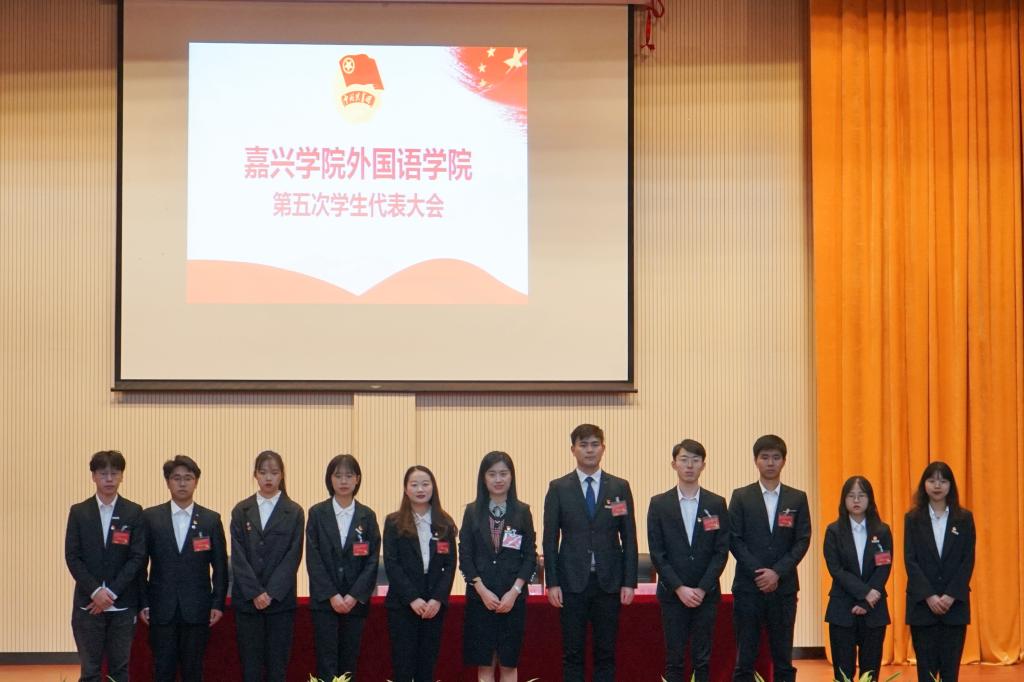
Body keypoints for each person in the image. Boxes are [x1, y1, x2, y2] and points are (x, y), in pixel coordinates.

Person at [543, 423, 638, 682]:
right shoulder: (559, 488)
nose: (589, 450)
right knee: (572, 653)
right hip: (571, 582)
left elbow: (629, 537)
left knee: (606, 653)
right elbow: (550, 539)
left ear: (603, 448)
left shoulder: (619, 487)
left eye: (595, 444)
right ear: (573, 449)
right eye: (583, 445)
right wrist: (552, 583)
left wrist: (629, 581)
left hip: (608, 583)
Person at [729, 434, 811, 682]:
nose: (770, 462)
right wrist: (760, 574)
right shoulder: (741, 496)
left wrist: (777, 573)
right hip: (748, 588)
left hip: (783, 588)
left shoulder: (797, 498)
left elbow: (802, 540)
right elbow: (734, 539)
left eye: (776, 457)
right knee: (745, 658)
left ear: (784, 461)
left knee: (783, 658)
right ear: (756, 460)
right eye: (764, 457)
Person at [646, 439, 729, 682]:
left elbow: (721, 551)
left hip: (707, 594)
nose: (689, 466)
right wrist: (679, 588)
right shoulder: (659, 504)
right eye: (684, 460)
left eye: (695, 460)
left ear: (703, 465)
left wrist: (702, 588)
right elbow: (657, 552)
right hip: (672, 594)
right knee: (674, 659)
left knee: (702, 660)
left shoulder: (716, 503)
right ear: (674, 464)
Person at [140, 455, 228, 682]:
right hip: (160, 608)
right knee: (162, 670)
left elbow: (220, 566)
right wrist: (144, 602)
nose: (182, 483)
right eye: (176, 478)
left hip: (197, 608)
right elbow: (140, 564)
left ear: (196, 481)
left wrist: (217, 603)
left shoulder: (210, 519)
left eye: (187, 478)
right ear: (167, 482)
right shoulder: (150, 518)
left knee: (193, 670)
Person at [64, 450, 147, 682]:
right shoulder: (79, 512)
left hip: (122, 605)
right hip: (88, 605)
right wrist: (95, 592)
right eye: (103, 473)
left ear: (122, 476)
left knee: (119, 671)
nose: (109, 479)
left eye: (114, 473)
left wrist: (110, 593)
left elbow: (137, 557)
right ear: (93, 476)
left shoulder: (133, 512)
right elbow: (72, 557)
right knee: (90, 671)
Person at [459, 451, 538, 682]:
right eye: (492, 474)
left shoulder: (522, 511)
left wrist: (515, 592)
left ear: (511, 476)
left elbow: (529, 556)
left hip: (512, 599)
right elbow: (465, 555)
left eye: (503, 473)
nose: (498, 479)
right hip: (480, 599)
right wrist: (481, 590)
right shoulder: (472, 511)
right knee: (485, 664)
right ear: (483, 478)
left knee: (508, 664)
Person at [230, 450, 305, 682]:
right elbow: (238, 556)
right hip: (248, 602)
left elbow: (293, 556)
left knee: (277, 668)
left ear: (282, 475)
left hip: (280, 602)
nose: (268, 478)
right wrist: (255, 592)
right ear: (255, 475)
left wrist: (270, 593)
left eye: (274, 472)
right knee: (250, 668)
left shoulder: (294, 511)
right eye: (263, 472)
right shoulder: (241, 510)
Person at [306, 454, 381, 681]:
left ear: (357, 479)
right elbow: (313, 558)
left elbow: (372, 560)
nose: (344, 481)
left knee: (350, 663)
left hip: (354, 603)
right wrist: (332, 595)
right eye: (338, 476)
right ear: (330, 479)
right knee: (326, 662)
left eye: (349, 476)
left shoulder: (367, 516)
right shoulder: (317, 513)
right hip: (325, 602)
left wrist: (353, 595)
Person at [383, 465, 457, 682]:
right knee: (403, 666)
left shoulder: (444, 523)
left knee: (427, 666)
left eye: (425, 484)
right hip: (402, 603)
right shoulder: (394, 522)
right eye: (414, 485)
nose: (420, 489)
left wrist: (437, 599)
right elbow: (391, 563)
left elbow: (450, 565)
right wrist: (412, 598)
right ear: (406, 489)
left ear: (433, 487)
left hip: (434, 603)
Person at [904, 462, 975, 682]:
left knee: (950, 673)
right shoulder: (913, 519)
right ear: (924, 484)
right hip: (922, 607)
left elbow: (967, 560)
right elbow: (910, 560)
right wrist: (930, 596)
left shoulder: (964, 519)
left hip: (954, 607)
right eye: (932, 480)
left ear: (950, 485)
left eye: (943, 481)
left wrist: (950, 595)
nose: (937, 486)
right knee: (925, 673)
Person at [823, 476, 893, 682]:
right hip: (842, 608)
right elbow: (836, 569)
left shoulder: (882, 531)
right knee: (843, 672)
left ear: (869, 499)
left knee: (870, 672)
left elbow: (884, 566)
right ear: (843, 500)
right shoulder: (834, 531)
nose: (856, 500)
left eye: (861, 495)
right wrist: (864, 593)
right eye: (851, 496)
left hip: (874, 608)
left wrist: (867, 600)